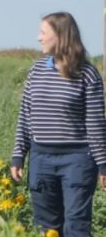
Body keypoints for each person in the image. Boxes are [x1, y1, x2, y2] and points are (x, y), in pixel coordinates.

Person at [10, 12, 106, 237]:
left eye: (43, 32)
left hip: (77, 161)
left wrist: (103, 165)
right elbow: (26, 116)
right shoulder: (36, 71)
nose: (38, 38)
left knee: (76, 226)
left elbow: (96, 124)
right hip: (41, 159)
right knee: (47, 228)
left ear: (61, 36)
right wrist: (18, 155)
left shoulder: (87, 74)